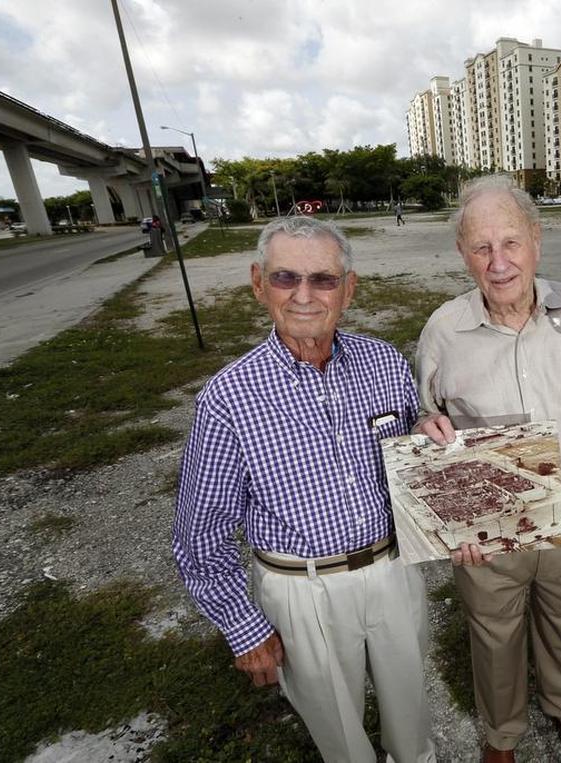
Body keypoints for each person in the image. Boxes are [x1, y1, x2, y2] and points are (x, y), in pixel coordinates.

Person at [172, 216, 436, 763]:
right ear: (257, 282)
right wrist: (244, 628)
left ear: (349, 288)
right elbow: (202, 537)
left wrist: (432, 449)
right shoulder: (227, 398)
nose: (305, 296)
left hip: (393, 572)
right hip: (302, 592)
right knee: (339, 732)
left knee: (411, 712)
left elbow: (415, 466)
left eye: (323, 279)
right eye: (285, 278)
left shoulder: (386, 364)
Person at [413, 175, 561, 763]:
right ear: (463, 254)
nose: (498, 263)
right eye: (481, 248)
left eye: (511, 243)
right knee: (494, 636)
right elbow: (427, 418)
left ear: (536, 239)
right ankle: (501, 737)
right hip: (489, 530)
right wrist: (430, 435)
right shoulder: (444, 331)